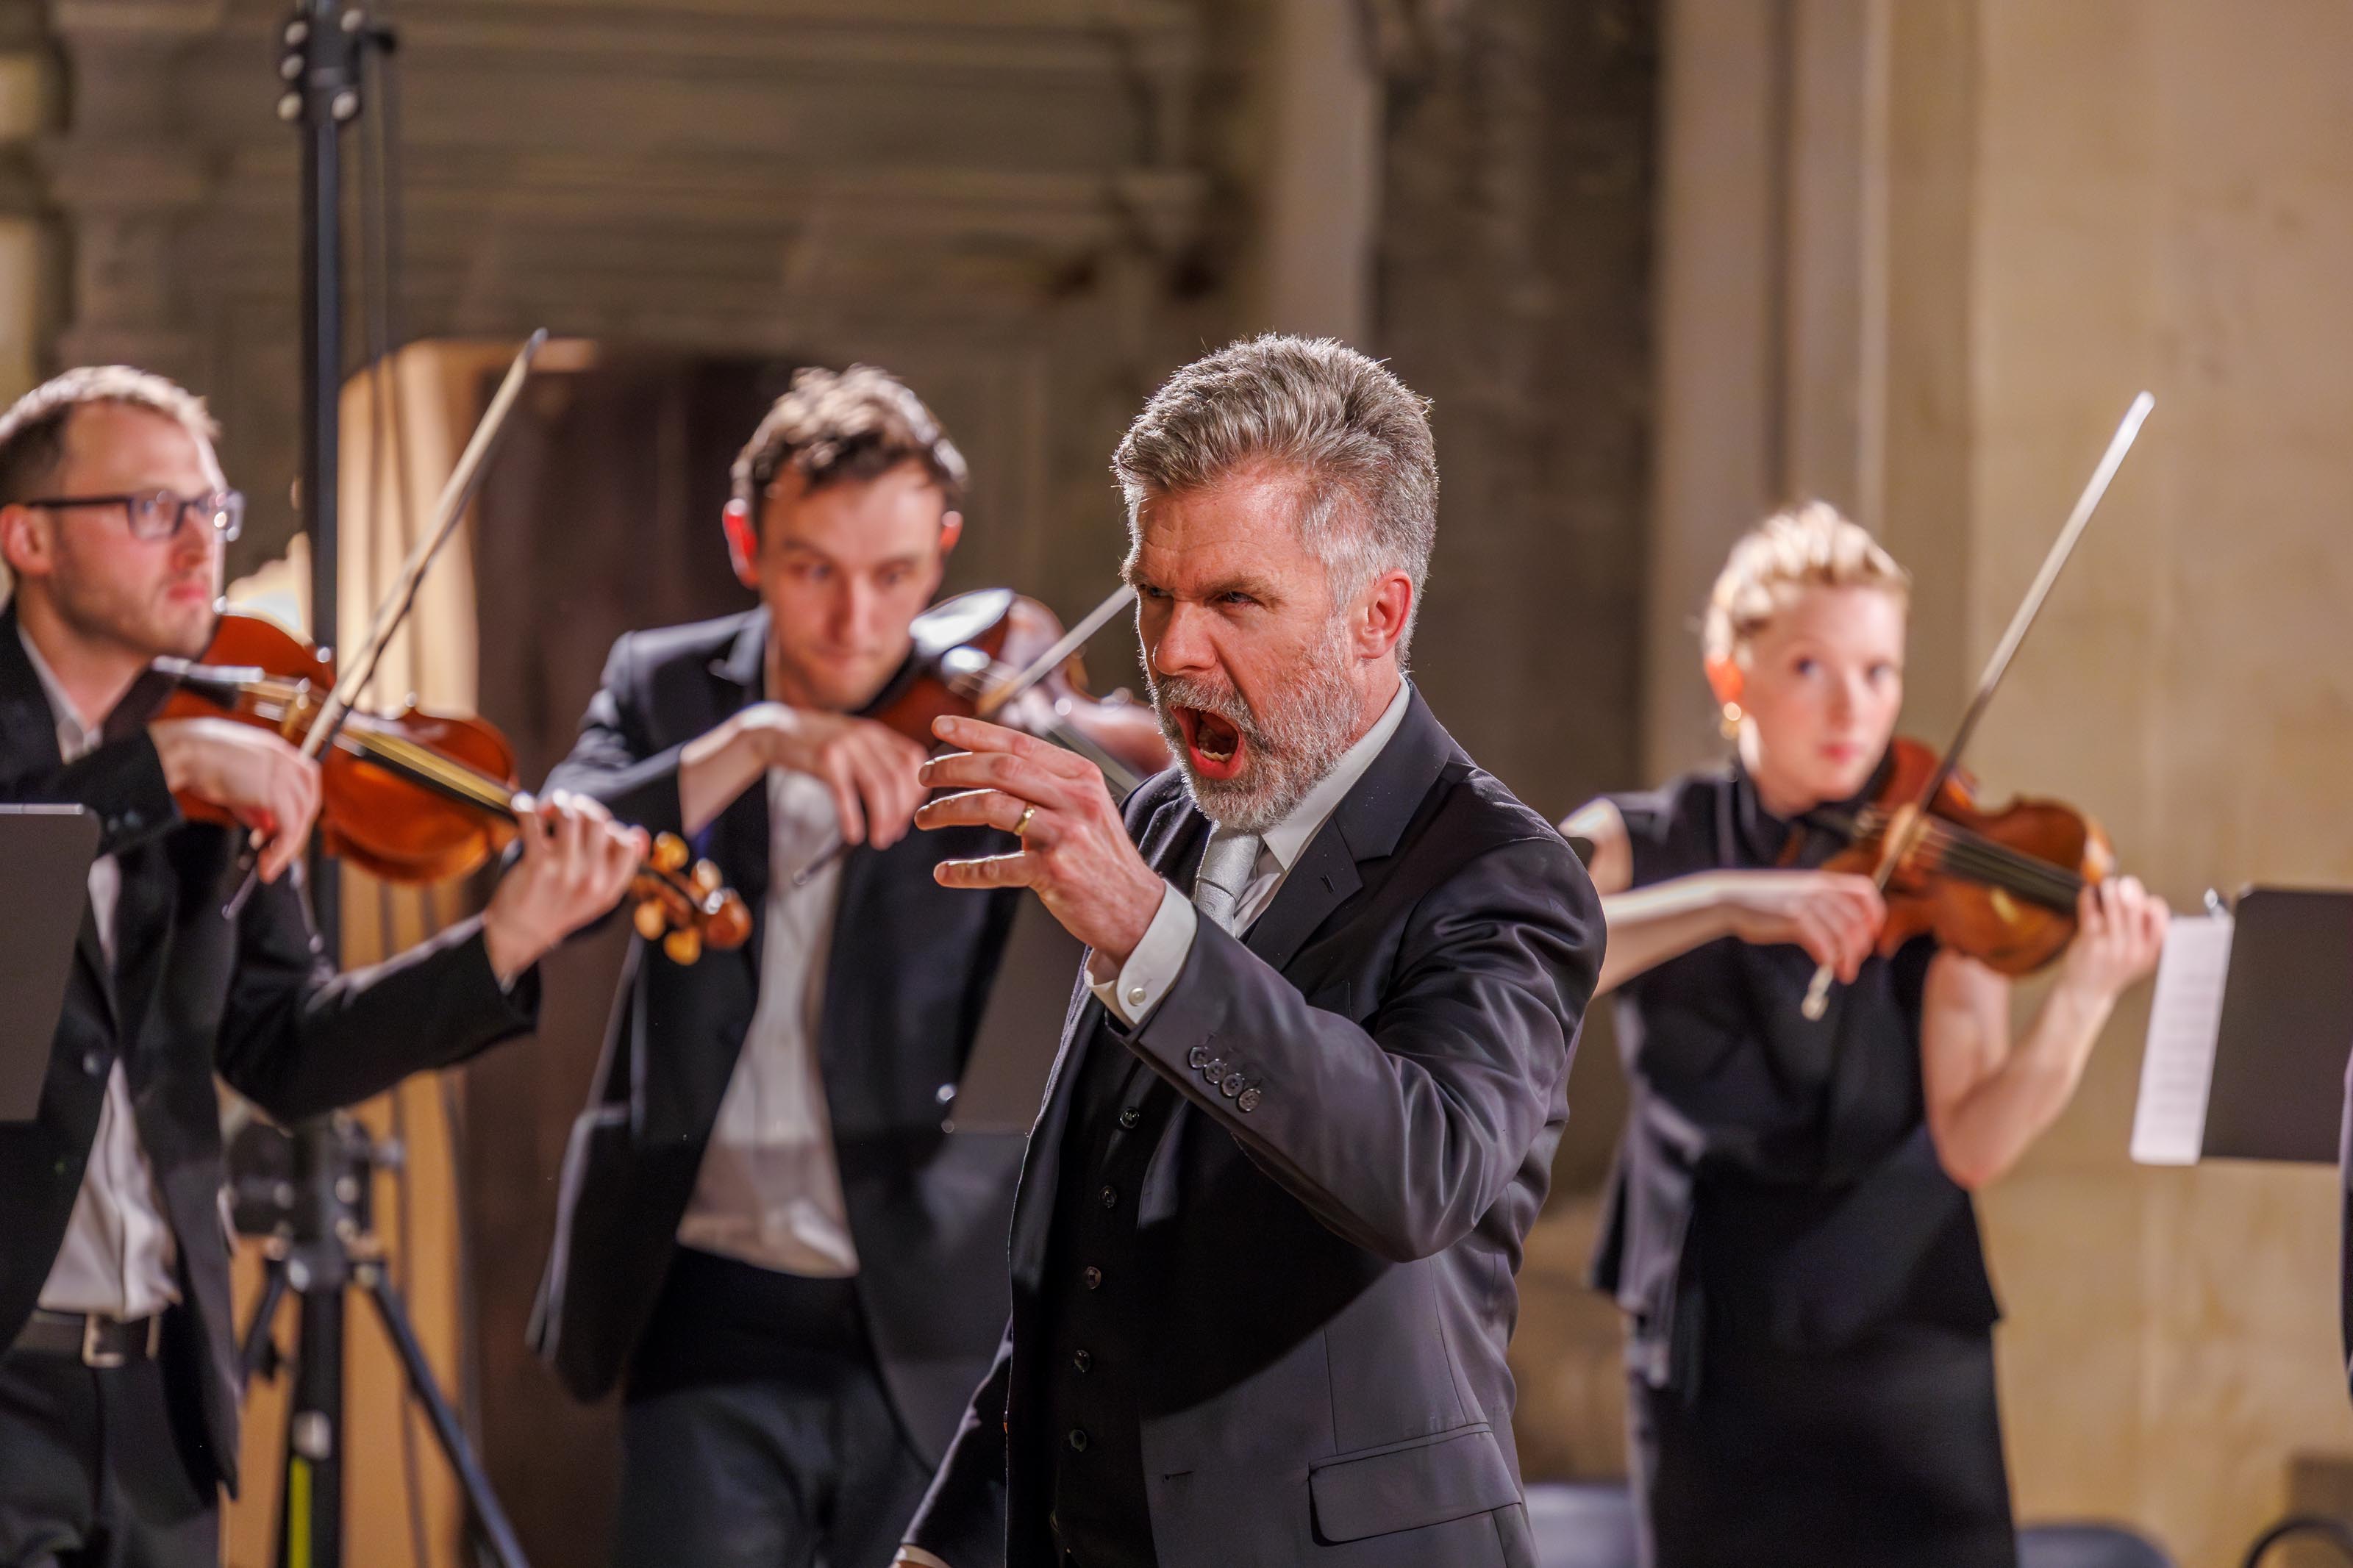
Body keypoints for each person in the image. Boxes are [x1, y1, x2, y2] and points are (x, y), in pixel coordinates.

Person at [893, 334, 1603, 1568]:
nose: (1171, 653)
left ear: (1379, 613)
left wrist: (1144, 933)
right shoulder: (1160, 827)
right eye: (1155, 593)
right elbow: (1083, 1266)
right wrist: (948, 1541)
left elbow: (1419, 1169)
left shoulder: (1505, 875)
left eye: (1234, 600)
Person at [0, 365, 643, 1567]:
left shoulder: (224, 746)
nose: (200, 543)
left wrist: (505, 940)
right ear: (27, 536)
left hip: (157, 1404)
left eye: (213, 508)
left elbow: (287, 1050)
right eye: (153, 509)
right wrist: (158, 771)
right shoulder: (188, 756)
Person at [1561, 503, 2170, 1568]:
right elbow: (1517, 947)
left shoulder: (1943, 861)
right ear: (1730, 672)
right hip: (1716, 1352)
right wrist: (1728, 901)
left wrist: (2083, 1000)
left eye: (1881, 671)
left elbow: (1972, 1142)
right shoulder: (1646, 840)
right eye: (1811, 668)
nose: (1856, 706)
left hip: (1909, 1354)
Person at [528, 365, 1032, 1568]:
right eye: (814, 570)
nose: (858, 620)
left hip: (931, 1303)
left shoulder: (992, 717)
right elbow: (550, 850)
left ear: (943, 550)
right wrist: (750, 743)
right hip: (707, 1298)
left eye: (897, 575)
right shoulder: (667, 688)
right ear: (746, 543)